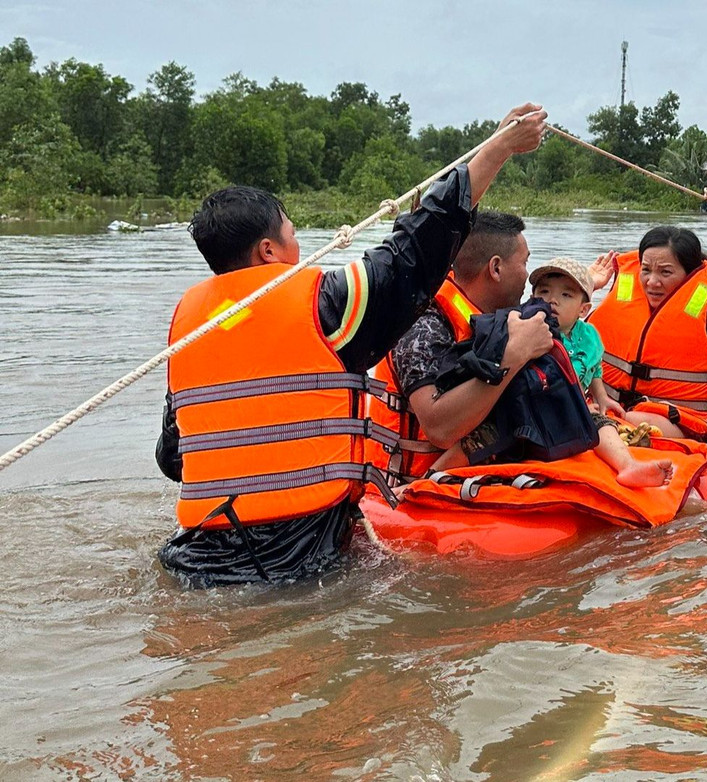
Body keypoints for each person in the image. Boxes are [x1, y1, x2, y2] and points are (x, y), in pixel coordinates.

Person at [154, 103, 548, 588]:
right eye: (293, 235)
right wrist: (499, 148)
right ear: (269, 252)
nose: (300, 248)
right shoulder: (325, 304)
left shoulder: (187, 327)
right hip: (295, 562)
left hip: (194, 558)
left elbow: (173, 459)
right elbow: (414, 250)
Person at [367, 212, 616, 481]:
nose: (527, 275)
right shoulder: (424, 325)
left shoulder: (496, 315)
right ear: (496, 268)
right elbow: (439, 428)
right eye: (524, 262)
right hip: (411, 483)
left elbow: (556, 312)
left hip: (477, 471)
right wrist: (514, 357)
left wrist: (588, 284)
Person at [586, 226, 707, 481]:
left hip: (674, 421)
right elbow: (566, 345)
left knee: (632, 418)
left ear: (689, 275)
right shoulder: (618, 303)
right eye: (646, 270)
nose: (652, 282)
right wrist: (587, 289)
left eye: (665, 272)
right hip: (607, 408)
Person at [512, 257, 672, 487]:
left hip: (574, 408)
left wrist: (602, 397)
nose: (552, 301)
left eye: (565, 295)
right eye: (544, 292)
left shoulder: (589, 336)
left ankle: (628, 466)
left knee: (602, 423)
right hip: (533, 410)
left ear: (583, 309)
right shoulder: (530, 330)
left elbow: (594, 368)